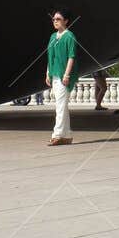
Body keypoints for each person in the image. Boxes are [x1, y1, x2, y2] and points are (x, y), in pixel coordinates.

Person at [45, 9, 78, 147]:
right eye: (53, 19)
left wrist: (67, 74)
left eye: (58, 19)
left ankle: (57, 135)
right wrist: (48, 72)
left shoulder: (70, 37)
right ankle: (67, 135)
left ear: (66, 21)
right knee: (62, 105)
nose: (55, 21)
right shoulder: (53, 37)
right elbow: (50, 55)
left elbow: (71, 57)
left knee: (60, 105)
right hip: (55, 73)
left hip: (64, 75)